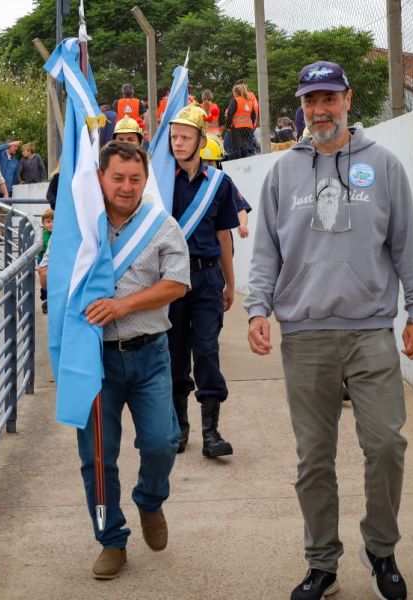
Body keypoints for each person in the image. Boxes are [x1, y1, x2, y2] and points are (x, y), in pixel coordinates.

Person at [244, 61, 413, 600]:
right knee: (314, 457)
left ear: (348, 100)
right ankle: (321, 562)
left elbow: (407, 247)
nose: (320, 110)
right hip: (305, 335)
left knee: (387, 444)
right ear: (301, 106)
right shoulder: (282, 174)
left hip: (371, 331)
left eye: (329, 98)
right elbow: (265, 254)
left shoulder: (385, 166)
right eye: (310, 101)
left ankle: (381, 548)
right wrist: (257, 310)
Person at [74, 141, 189, 580]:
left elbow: (177, 284)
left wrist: (123, 307)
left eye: (135, 179)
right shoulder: (82, 226)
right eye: (117, 178)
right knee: (98, 459)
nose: (126, 187)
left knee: (162, 441)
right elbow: (51, 270)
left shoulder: (162, 225)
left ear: (145, 180)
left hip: (150, 354)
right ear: (101, 177)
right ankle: (111, 540)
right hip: (95, 361)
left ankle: (149, 500)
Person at [165, 105, 240, 457]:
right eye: (174, 137)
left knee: (207, 350)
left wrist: (230, 281)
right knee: (175, 352)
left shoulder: (219, 185)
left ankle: (211, 432)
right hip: (172, 278)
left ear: (200, 140)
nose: (178, 143)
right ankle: (179, 428)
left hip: (209, 276)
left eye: (185, 137)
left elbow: (225, 233)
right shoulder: (161, 180)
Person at [200, 134, 251, 239]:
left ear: (218, 164)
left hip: (221, 240)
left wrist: (243, 225)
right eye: (202, 162)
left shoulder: (223, 183)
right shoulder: (186, 183)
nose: (206, 167)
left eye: (210, 162)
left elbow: (240, 208)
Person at [223, 83, 257, 160]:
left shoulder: (235, 100)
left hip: (237, 128)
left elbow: (230, 113)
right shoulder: (249, 101)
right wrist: (250, 123)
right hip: (248, 128)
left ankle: (237, 166)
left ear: (236, 92)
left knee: (236, 149)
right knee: (245, 148)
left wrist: (228, 126)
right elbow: (253, 115)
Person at [36, 208, 53, 314]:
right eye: (48, 222)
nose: (51, 224)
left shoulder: (58, 233)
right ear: (43, 223)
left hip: (54, 261)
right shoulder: (42, 235)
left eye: (53, 221)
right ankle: (45, 297)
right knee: (45, 278)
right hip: (43, 260)